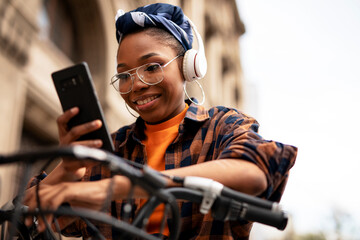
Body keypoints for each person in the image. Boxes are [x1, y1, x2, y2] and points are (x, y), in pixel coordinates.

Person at [24, 3, 297, 239]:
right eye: (124, 75)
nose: (136, 85)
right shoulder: (112, 150)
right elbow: (26, 221)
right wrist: (70, 169)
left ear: (189, 67)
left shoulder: (222, 125)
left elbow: (254, 173)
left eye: (152, 67)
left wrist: (114, 188)